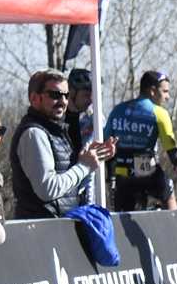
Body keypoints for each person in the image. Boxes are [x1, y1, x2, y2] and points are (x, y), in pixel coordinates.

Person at [12, 69, 115, 219]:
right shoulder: (34, 134)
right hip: (42, 229)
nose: (62, 101)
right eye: (55, 95)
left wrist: (94, 156)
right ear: (34, 98)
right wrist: (84, 166)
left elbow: (68, 177)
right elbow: (48, 189)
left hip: (63, 223)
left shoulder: (58, 130)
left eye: (65, 96)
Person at [104, 69, 177, 212]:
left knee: (122, 213)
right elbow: (172, 152)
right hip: (145, 170)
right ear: (152, 91)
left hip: (121, 173)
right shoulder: (159, 113)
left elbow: (106, 142)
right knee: (168, 194)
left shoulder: (118, 110)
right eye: (165, 91)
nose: (168, 97)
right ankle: (176, 229)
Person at [66, 67, 95, 144]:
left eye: (93, 96)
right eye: (86, 95)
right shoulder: (58, 119)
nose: (91, 100)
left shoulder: (93, 119)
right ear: (72, 92)